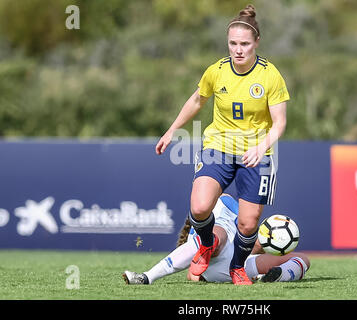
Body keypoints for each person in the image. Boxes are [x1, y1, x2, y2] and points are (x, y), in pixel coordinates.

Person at [155, 4, 289, 285]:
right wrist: (172, 130)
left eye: (244, 44)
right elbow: (196, 100)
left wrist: (259, 146)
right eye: (232, 43)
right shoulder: (216, 71)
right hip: (218, 146)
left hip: (257, 153)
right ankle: (205, 244)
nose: (238, 49)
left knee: (248, 223)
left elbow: (279, 123)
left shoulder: (270, 76)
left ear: (256, 43)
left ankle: (238, 267)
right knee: (200, 208)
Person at [122, 194, 310, 285]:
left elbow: (249, 237)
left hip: (234, 267)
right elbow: (245, 228)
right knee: (217, 235)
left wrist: (269, 241)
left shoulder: (216, 204)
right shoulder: (217, 207)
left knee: (303, 259)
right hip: (222, 259)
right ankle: (147, 277)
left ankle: (276, 276)